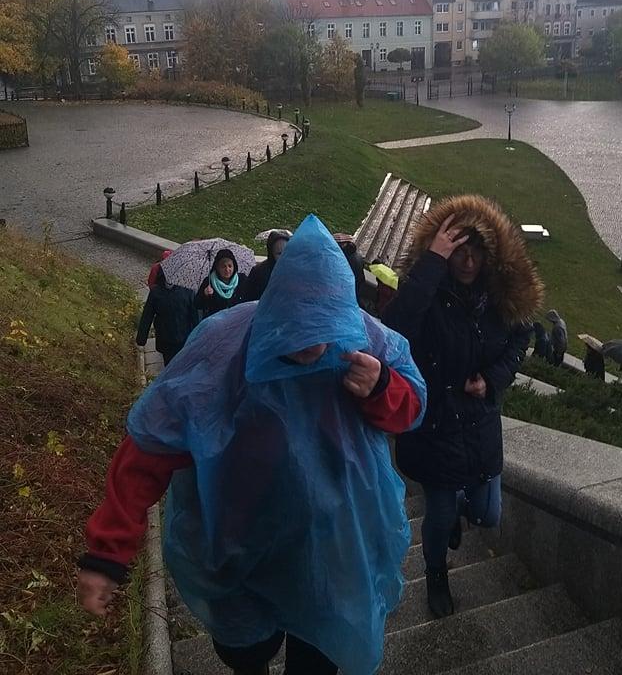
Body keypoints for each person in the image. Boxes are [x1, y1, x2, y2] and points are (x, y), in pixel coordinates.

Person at [76, 215, 426, 675]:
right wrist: (107, 553)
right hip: (238, 543)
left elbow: (411, 410)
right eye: (299, 330)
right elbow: (149, 451)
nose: (314, 347)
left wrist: (382, 387)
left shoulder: (362, 341)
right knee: (247, 653)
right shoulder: (222, 350)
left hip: (329, 546)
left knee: (319, 654)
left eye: (323, 330)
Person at [382, 194, 543, 619]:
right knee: (438, 515)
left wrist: (492, 380)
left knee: (488, 514)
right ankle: (435, 572)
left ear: (491, 255)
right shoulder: (428, 291)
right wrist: (432, 262)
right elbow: (395, 328)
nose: (468, 262)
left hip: (478, 421)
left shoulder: (500, 297)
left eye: (476, 253)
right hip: (436, 425)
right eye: (458, 252)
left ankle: (456, 513)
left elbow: (518, 340)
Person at [135, 268, 199, 367]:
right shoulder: (156, 292)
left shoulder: (187, 291)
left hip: (183, 338)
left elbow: (194, 317)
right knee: (169, 366)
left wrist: (197, 337)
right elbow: (147, 316)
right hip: (165, 339)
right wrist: (141, 338)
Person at [241, 230, 291, 302]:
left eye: (286, 252)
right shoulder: (258, 272)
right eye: (279, 253)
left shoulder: (295, 270)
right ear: (272, 253)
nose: (283, 257)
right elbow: (247, 298)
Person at [195, 248, 246, 318]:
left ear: (234, 266)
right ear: (217, 268)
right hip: (215, 320)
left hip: (238, 318)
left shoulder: (242, 279)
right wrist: (205, 295)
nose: (227, 269)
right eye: (223, 266)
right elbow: (197, 304)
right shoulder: (209, 281)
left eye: (230, 266)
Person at [333, 233, 370, 309]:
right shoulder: (356, 255)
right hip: (358, 282)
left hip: (351, 284)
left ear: (343, 244)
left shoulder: (346, 257)